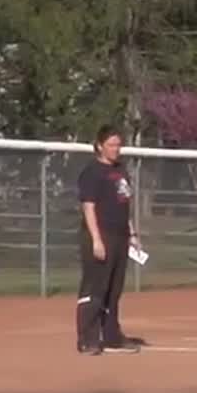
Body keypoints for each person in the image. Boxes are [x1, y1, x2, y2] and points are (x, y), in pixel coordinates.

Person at [75, 125, 141, 355]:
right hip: (100, 236)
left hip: (120, 236)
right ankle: (88, 339)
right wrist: (96, 240)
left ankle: (112, 336)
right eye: (111, 145)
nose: (116, 149)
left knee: (114, 291)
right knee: (95, 289)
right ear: (100, 146)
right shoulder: (92, 172)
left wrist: (132, 234)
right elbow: (88, 207)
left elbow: (124, 205)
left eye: (118, 145)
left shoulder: (121, 170)